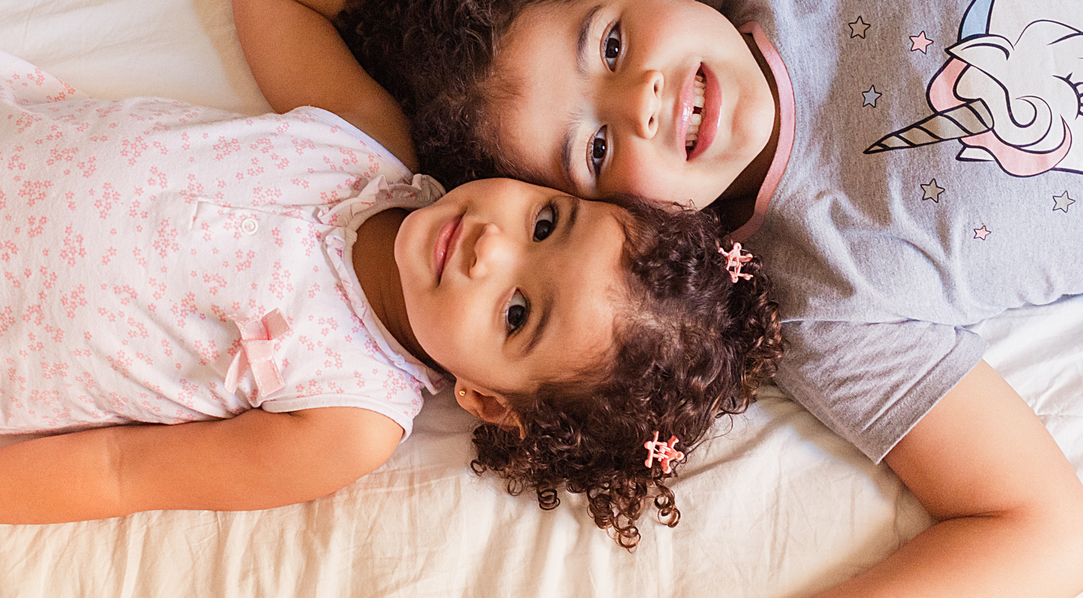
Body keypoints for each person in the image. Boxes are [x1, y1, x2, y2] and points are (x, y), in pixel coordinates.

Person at [286, 0, 1083, 593]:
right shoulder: (819, 300)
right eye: (596, 149)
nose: (639, 99)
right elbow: (1048, 536)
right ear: (634, 225)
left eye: (608, 44)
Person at [0, 53, 784, 550]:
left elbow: (120, 471)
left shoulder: (349, 421)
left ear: (486, 399)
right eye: (545, 222)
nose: (491, 247)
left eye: (517, 314)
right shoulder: (366, 139)